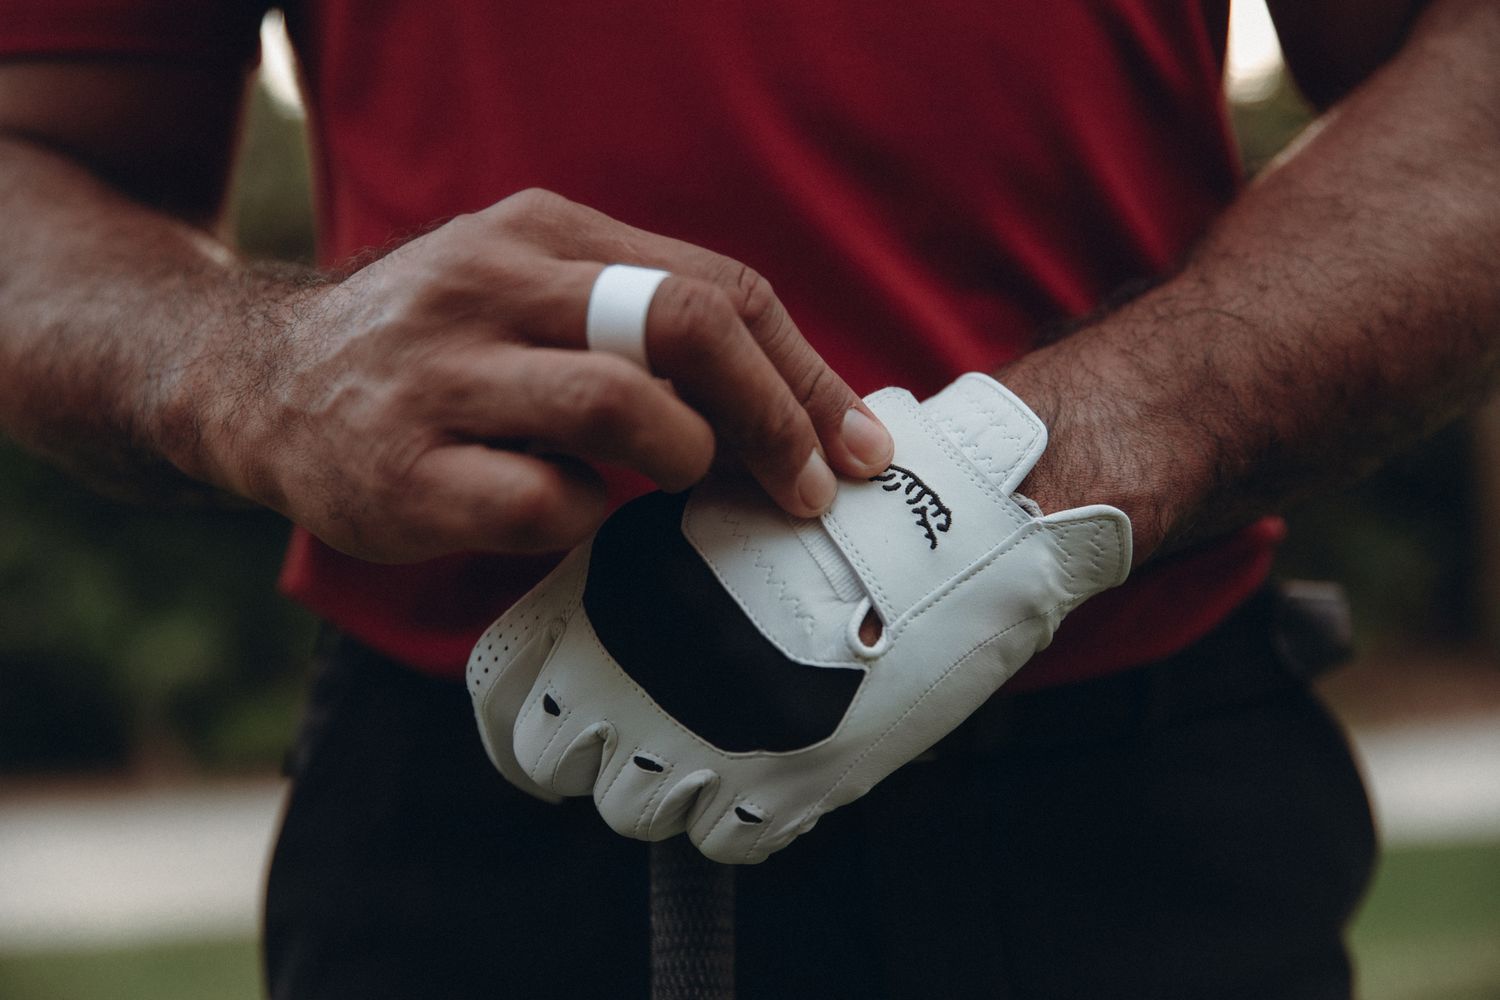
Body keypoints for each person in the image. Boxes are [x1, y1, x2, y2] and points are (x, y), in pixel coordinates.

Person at [1, 1, 1496, 996]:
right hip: (484, 781)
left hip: (1121, 777)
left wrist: (1025, 474)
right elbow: (34, 157)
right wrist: (241, 366)